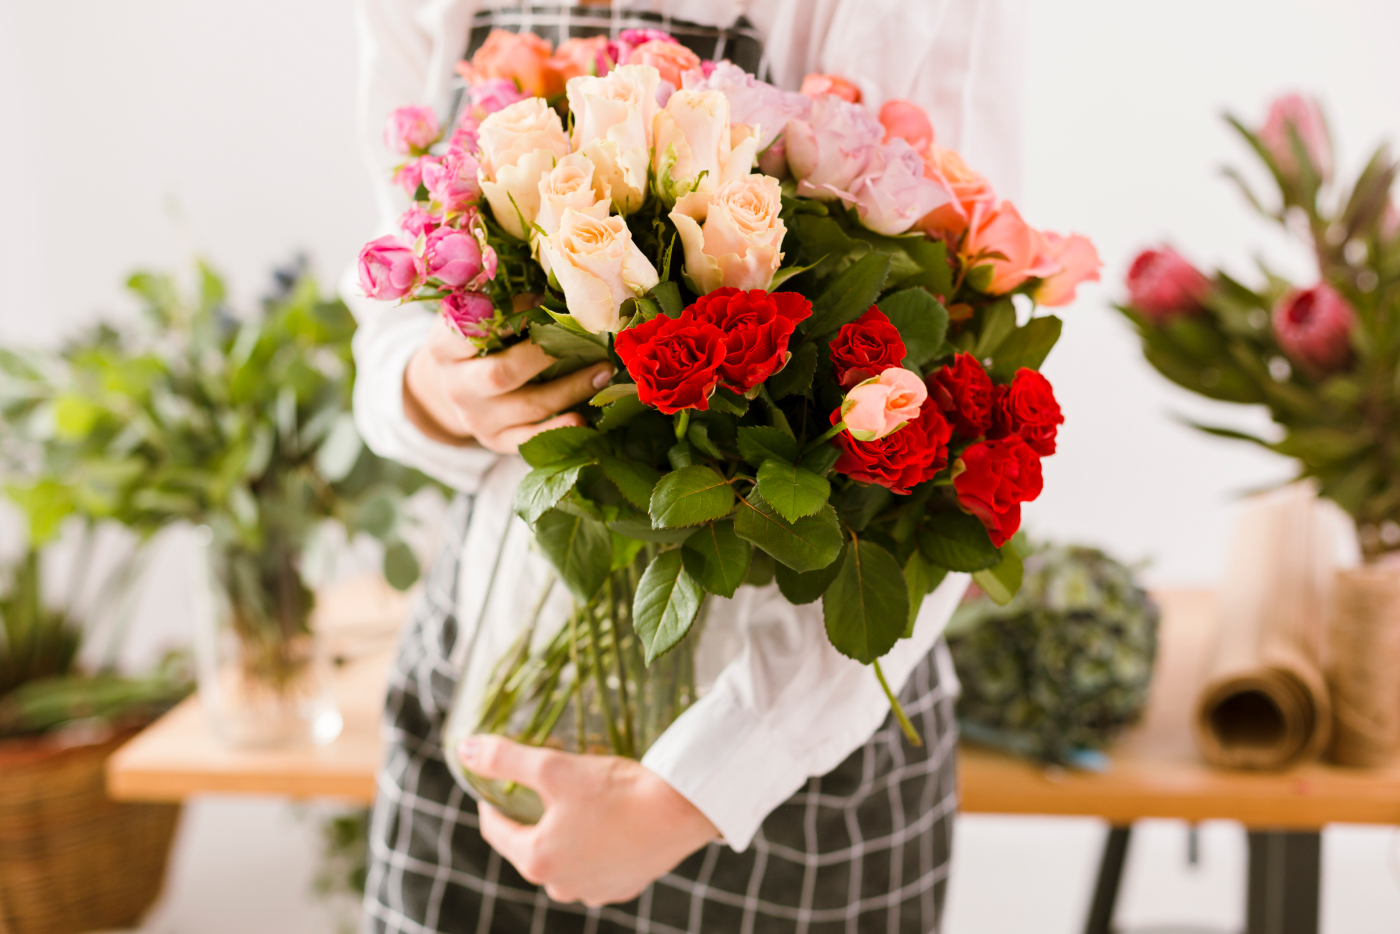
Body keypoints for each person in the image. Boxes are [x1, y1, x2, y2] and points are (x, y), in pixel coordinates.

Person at [344, 2, 1026, 931]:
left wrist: (696, 788)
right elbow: (393, 305)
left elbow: (949, 414)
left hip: (775, 781)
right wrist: (434, 391)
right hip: (484, 684)